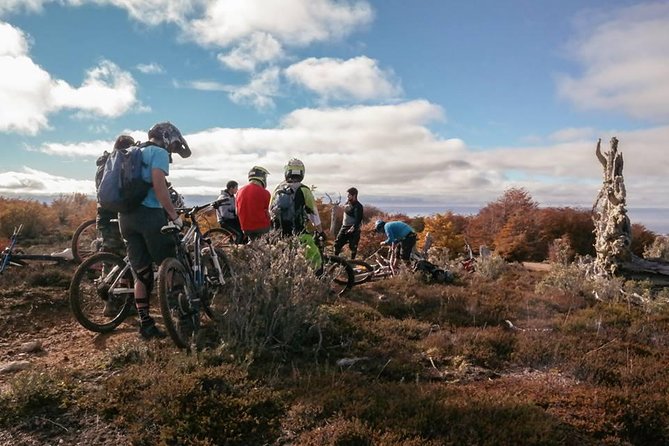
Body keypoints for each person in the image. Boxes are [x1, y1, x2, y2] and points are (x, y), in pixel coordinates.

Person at [118, 122, 191, 340]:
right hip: (149, 216)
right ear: (167, 138)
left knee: (142, 273)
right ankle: (183, 318)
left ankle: (146, 324)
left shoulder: (133, 152)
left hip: (126, 218)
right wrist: (174, 216)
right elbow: (159, 186)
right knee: (170, 263)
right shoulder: (157, 152)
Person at [95, 134, 135, 256]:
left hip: (102, 212)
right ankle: (121, 274)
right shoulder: (122, 162)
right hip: (118, 214)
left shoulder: (104, 162)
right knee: (123, 252)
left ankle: (106, 274)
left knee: (108, 251)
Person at [270, 158, 323, 236]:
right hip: (298, 233)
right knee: (313, 247)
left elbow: (270, 211)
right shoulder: (305, 190)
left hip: (278, 234)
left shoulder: (277, 189)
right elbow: (315, 216)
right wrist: (320, 231)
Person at [236, 166, 271, 241]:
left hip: (245, 228)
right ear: (262, 178)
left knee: (252, 242)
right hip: (261, 227)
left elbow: (237, 211)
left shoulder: (239, 192)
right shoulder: (265, 193)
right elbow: (267, 212)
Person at [333, 187, 363, 259]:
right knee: (337, 243)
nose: (347, 196)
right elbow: (345, 208)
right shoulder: (348, 202)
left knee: (353, 246)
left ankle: (352, 262)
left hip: (353, 229)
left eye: (349, 195)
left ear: (354, 195)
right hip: (344, 227)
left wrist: (353, 228)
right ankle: (334, 259)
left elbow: (358, 219)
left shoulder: (358, 206)